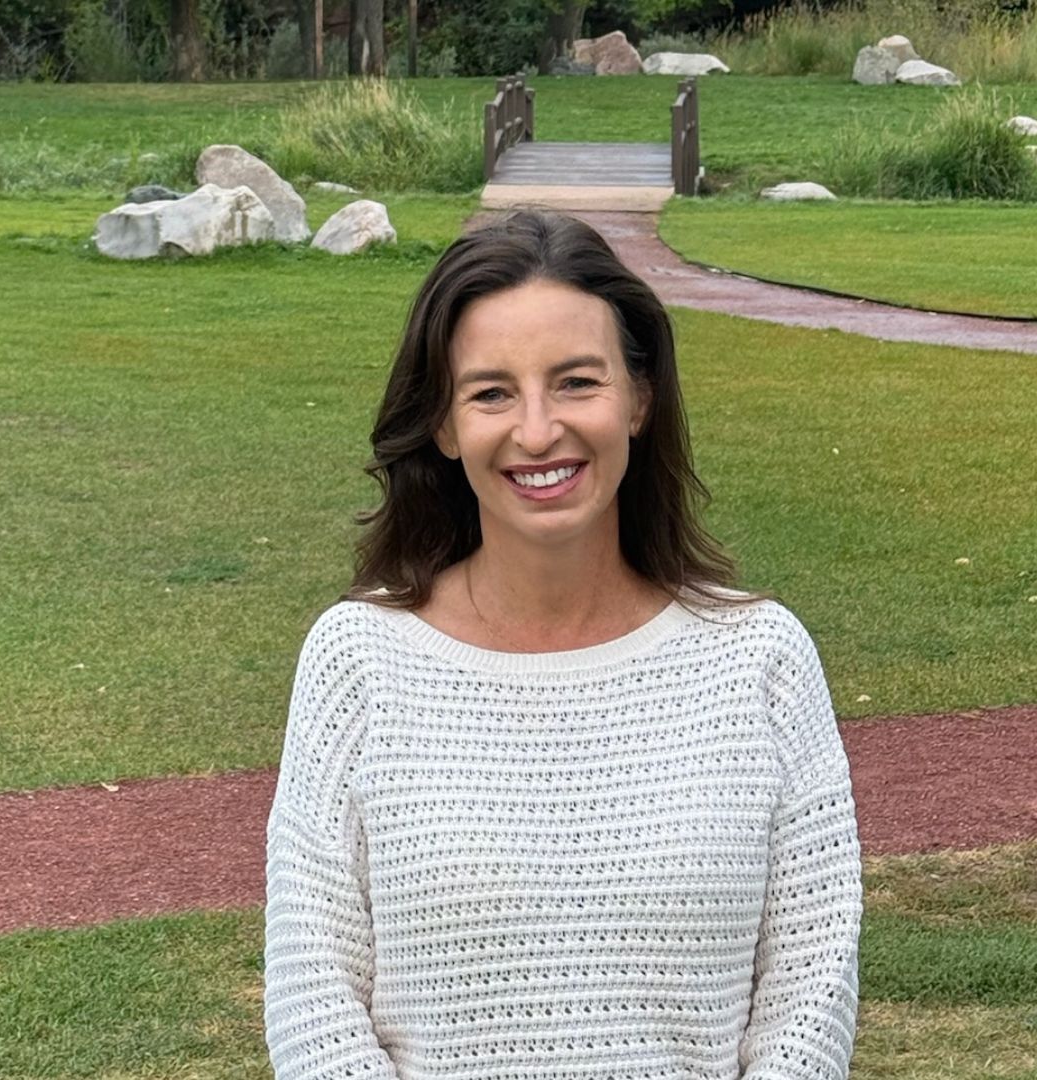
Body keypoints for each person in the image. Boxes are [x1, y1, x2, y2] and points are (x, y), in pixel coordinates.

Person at [263, 210, 862, 1080]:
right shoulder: (358, 661)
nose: (538, 430)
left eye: (577, 382)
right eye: (491, 393)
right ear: (442, 424)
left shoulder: (760, 659)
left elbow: (811, 991)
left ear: (640, 399)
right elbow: (314, 998)